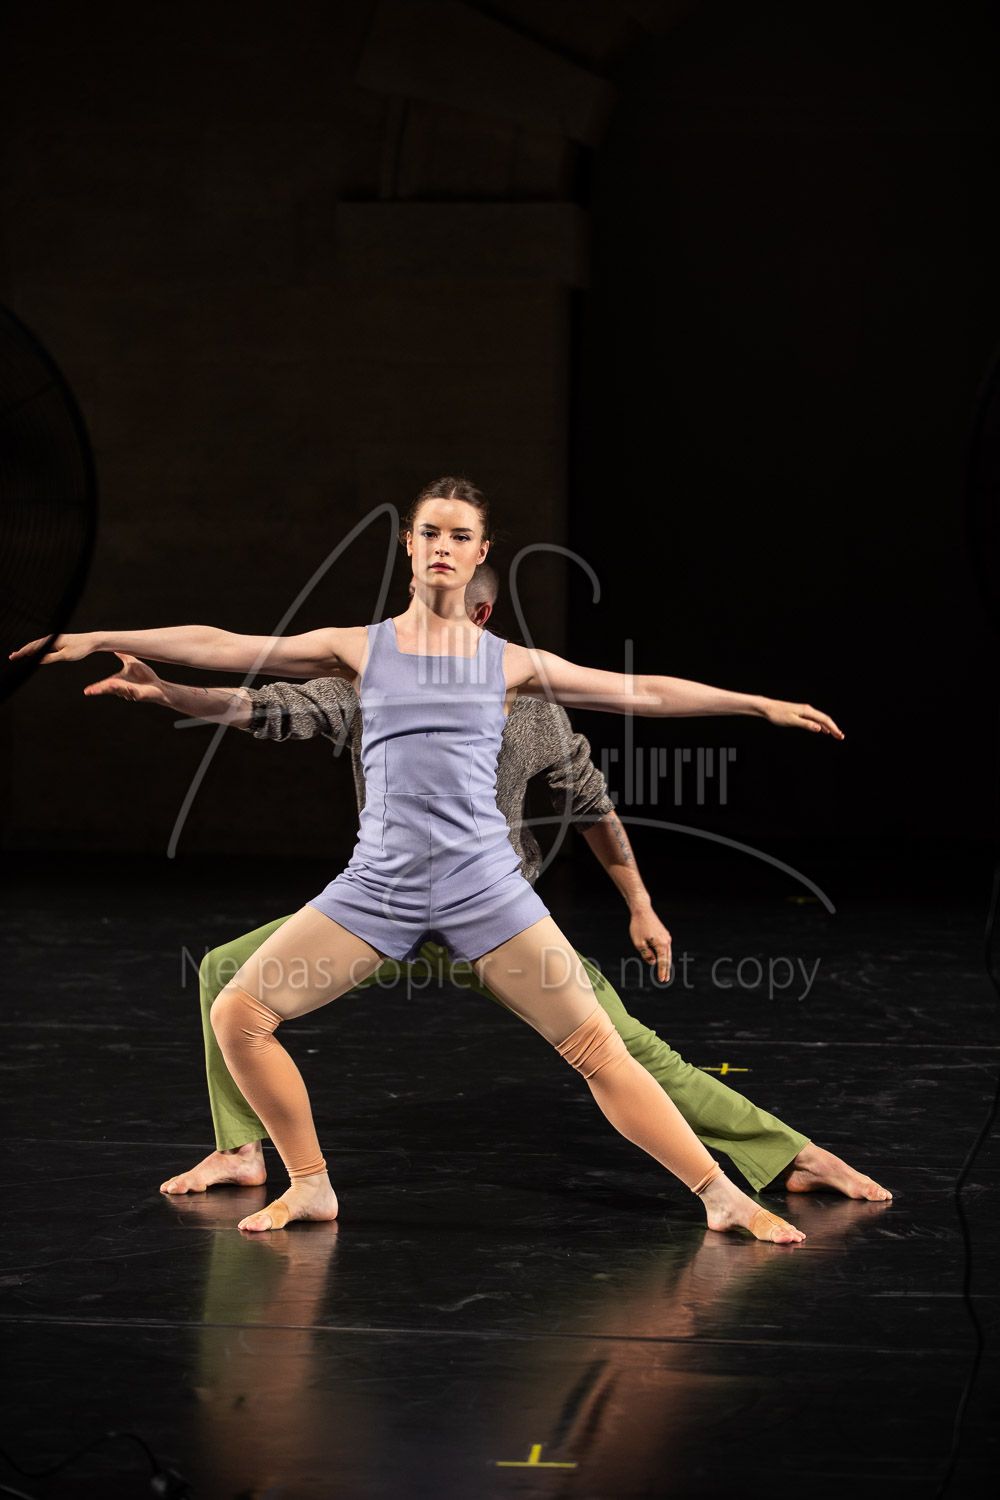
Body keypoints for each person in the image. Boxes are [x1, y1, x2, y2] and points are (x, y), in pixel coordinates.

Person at [11, 475, 853, 1243]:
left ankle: (722, 1194)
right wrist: (98, 637)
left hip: (485, 892)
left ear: (481, 555)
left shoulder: (511, 667)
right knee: (237, 1010)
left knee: (602, 1049)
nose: (443, 546)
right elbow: (229, 645)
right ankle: (309, 1184)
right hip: (377, 889)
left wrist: (758, 704)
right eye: (429, 533)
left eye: (460, 535)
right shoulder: (358, 649)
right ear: (407, 547)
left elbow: (644, 693)